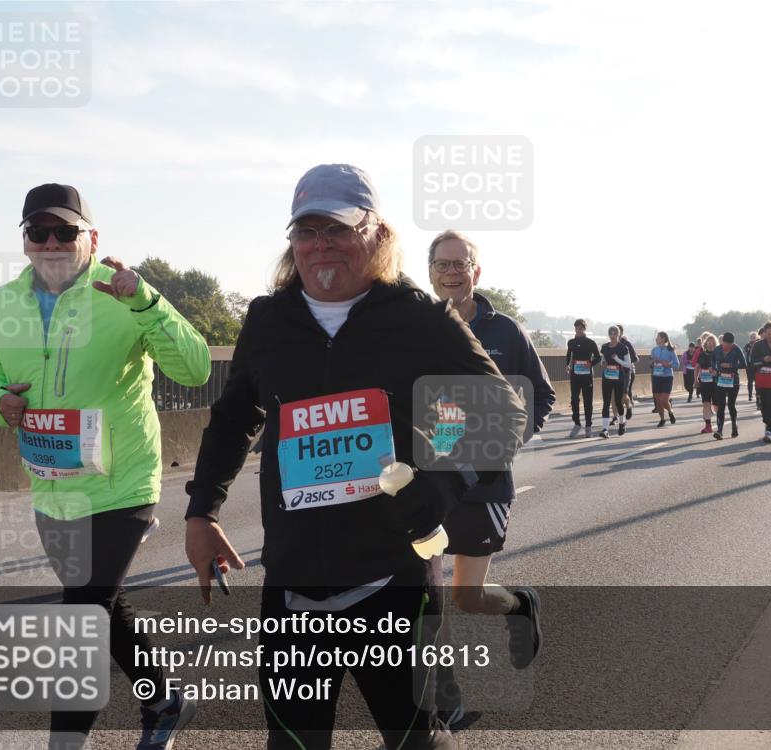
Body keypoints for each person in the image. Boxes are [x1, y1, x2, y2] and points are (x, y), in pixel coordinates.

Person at [183, 164, 528, 750]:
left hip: (390, 580)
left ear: (376, 233)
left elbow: (500, 410)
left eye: (338, 229)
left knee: (416, 740)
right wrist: (202, 512)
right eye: (307, 230)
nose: (321, 245)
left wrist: (440, 485)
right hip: (293, 584)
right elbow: (236, 417)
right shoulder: (268, 320)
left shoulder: (420, 317)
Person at [0, 184, 211, 750]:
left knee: (81, 614)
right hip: (52, 486)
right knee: (102, 604)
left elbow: (198, 368)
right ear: (26, 241)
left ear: (92, 237)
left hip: (123, 482)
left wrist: (148, 302)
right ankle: (163, 696)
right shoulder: (2, 305)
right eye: (39, 232)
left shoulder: (122, 294)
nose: (53, 242)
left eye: (66, 231)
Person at [426, 228, 555, 723]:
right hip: (433, 481)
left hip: (484, 484)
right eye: (443, 264)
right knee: (426, 597)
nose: (453, 272)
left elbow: (541, 397)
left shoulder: (507, 332)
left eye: (462, 263)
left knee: (467, 596)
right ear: (431, 272)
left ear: (476, 271)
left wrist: (509, 442)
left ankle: (520, 604)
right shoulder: (419, 326)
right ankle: (448, 704)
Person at [566, 319, 600, 437]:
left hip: (587, 376)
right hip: (575, 376)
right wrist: (568, 365)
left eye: (581, 328)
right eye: (577, 328)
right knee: (574, 399)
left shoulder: (590, 342)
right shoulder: (571, 342)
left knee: (587, 401)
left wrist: (590, 363)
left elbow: (598, 358)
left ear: (584, 329)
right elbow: (568, 355)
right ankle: (577, 423)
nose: (578, 330)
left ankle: (588, 426)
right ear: (575, 329)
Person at [711, 332, 747, 439]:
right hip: (720, 380)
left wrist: (730, 365)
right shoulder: (717, 349)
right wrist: (713, 368)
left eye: (730, 344)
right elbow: (712, 361)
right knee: (721, 406)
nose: (727, 346)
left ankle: (734, 426)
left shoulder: (736, 349)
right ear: (722, 342)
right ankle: (720, 431)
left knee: (731, 405)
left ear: (733, 343)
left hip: (733, 381)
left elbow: (744, 364)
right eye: (725, 343)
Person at [599, 326, 632, 437]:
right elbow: (603, 359)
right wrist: (603, 363)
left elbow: (628, 364)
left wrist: (617, 359)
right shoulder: (604, 347)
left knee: (618, 402)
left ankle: (622, 423)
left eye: (615, 334)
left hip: (619, 379)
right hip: (607, 378)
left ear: (619, 335)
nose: (612, 336)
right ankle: (605, 429)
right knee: (606, 403)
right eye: (611, 334)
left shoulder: (623, 348)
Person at [650, 331, 680, 427]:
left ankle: (670, 412)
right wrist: (653, 362)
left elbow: (677, 364)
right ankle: (662, 419)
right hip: (656, 376)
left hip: (667, 377)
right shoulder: (654, 350)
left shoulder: (670, 350)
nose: (656, 339)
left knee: (663, 399)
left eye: (658, 337)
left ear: (663, 338)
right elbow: (651, 363)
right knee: (658, 401)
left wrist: (667, 364)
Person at [694, 333, 718, 434]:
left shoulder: (718, 354)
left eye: (713, 342)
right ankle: (708, 426)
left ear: (715, 344)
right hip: (704, 383)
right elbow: (697, 367)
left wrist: (716, 371)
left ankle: (719, 423)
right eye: (709, 342)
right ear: (705, 344)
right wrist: (695, 380)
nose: (711, 344)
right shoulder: (702, 355)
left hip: (716, 383)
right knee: (706, 404)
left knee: (717, 405)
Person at [616, 324, 639, 420]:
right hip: (614, 373)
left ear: (620, 333)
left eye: (615, 332)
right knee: (616, 395)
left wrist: (624, 361)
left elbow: (635, 358)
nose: (613, 334)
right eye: (611, 332)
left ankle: (628, 406)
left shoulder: (626, 344)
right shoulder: (610, 344)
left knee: (624, 394)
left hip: (625, 372)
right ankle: (616, 417)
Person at [743, 331, 759, 406]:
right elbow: (745, 353)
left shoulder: (758, 344)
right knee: (750, 381)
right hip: (749, 365)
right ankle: (750, 395)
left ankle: (757, 395)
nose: (752, 338)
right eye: (751, 336)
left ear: (756, 337)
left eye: (754, 336)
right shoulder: (747, 345)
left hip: (756, 365)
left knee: (757, 381)